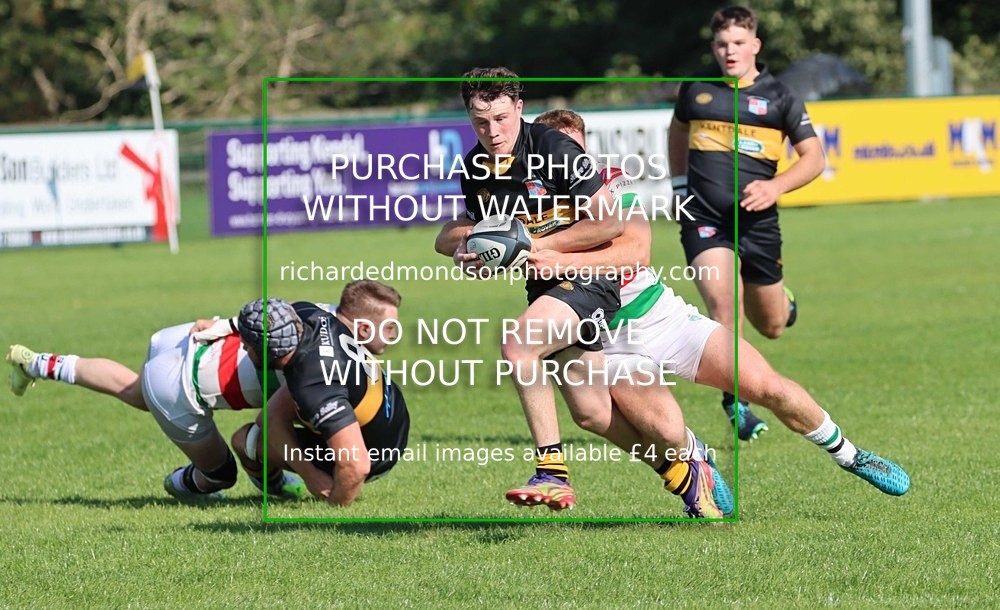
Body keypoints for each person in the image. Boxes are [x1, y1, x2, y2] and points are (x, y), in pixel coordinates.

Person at [531, 109, 909, 499]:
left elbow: (637, 250)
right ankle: (699, 464)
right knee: (666, 430)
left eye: (570, 148)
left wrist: (557, 256)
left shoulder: (609, 180)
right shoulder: (526, 205)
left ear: (584, 148)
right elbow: (468, 230)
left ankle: (851, 456)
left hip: (662, 315)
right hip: (608, 341)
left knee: (769, 387)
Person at [436, 70, 726, 519]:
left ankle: (552, 473)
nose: (492, 132)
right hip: (545, 289)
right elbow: (450, 233)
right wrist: (473, 248)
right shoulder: (476, 168)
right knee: (591, 413)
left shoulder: (554, 148)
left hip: (588, 281)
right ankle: (684, 474)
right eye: (479, 122)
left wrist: (537, 244)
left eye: (499, 117)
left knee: (518, 344)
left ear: (518, 107)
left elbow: (608, 222)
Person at [5, 280, 405, 506]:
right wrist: (316, 477)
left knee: (133, 390)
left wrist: (222, 323)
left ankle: (36, 362)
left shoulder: (312, 312)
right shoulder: (305, 368)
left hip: (182, 338)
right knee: (221, 475)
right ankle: (177, 485)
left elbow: (262, 314)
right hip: (177, 390)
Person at [668, 6, 826, 441]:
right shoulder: (696, 90)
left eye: (738, 43)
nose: (729, 52)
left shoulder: (780, 98)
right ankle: (736, 404)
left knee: (771, 325)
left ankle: (784, 302)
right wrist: (680, 186)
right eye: (721, 45)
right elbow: (678, 131)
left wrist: (775, 188)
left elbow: (814, 159)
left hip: (758, 225)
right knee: (723, 305)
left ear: (755, 45)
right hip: (704, 219)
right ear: (713, 48)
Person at [232, 294, 410, 507]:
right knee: (270, 418)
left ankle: (278, 485)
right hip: (391, 409)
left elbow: (357, 465)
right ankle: (287, 482)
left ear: (266, 349)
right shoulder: (309, 315)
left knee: (244, 441)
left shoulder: (314, 386)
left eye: (247, 345)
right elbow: (282, 308)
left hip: (378, 456)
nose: (244, 349)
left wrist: (333, 508)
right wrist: (309, 474)